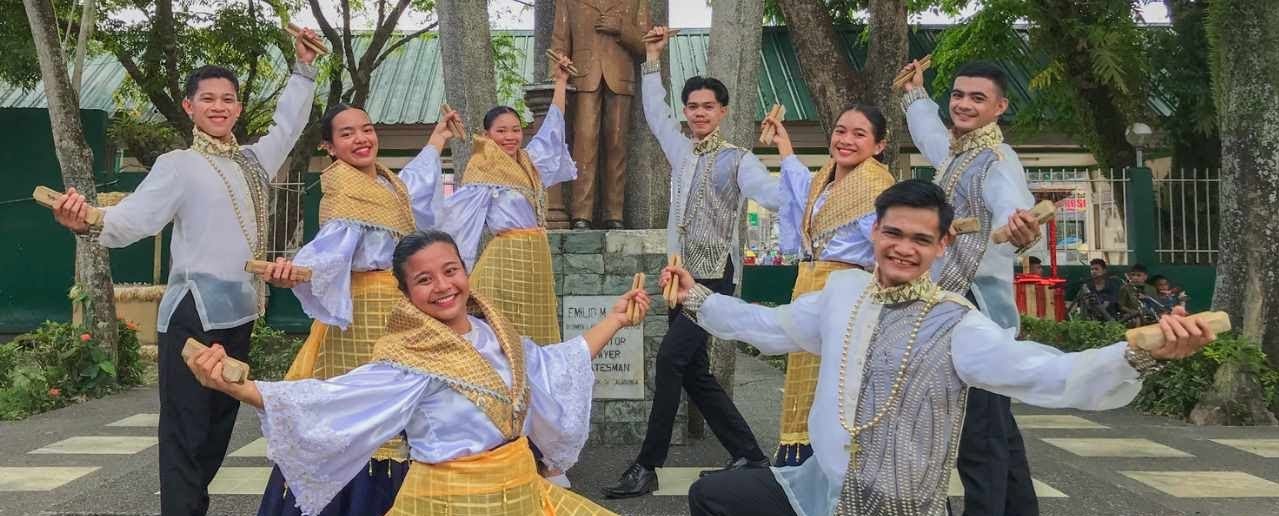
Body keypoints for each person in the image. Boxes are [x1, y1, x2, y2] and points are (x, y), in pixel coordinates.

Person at [674, 180, 1217, 516]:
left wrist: (1137, 353)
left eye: (920, 239)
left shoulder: (957, 323)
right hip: (821, 490)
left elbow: (1046, 374)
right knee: (713, 497)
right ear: (875, 234)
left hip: (899, 506)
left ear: (942, 245)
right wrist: (696, 298)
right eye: (893, 234)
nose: (903, 249)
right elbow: (771, 327)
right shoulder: (842, 293)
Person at [185, 230, 650, 516]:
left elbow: (553, 366)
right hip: (448, 501)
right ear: (406, 294)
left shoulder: (497, 334)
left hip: (519, 493)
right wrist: (236, 385)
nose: (443, 286)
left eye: (450, 271)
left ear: (466, 272)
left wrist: (615, 319)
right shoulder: (411, 358)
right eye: (424, 280)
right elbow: (335, 399)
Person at [50, 31, 318, 516]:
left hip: (238, 314)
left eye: (228, 100)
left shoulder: (254, 163)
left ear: (238, 108)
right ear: (189, 106)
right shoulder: (179, 165)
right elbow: (135, 218)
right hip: (192, 312)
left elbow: (288, 124)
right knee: (185, 433)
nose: (219, 107)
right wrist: (87, 220)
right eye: (208, 99)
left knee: (217, 429)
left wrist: (303, 70)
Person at [252, 104, 462, 516]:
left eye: (366, 129)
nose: (361, 139)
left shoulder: (386, 183)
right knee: (364, 410)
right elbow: (330, 254)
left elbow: (415, 185)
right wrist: (296, 272)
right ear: (329, 147)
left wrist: (437, 139)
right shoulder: (345, 191)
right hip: (364, 314)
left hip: (400, 310)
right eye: (347, 134)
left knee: (400, 402)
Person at [602, 26, 782, 498]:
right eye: (692, 106)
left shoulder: (739, 160)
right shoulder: (681, 152)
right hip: (678, 279)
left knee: (669, 359)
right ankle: (749, 452)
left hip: (713, 278)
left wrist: (797, 168)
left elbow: (774, 195)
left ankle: (647, 464)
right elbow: (654, 113)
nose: (699, 113)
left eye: (708, 106)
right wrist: (653, 60)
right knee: (693, 371)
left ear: (722, 112)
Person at [900, 59, 1044, 515]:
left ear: (999, 107)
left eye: (977, 98)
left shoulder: (997, 159)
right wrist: (917, 94)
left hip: (977, 310)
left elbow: (1010, 205)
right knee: (996, 427)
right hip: (960, 307)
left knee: (977, 436)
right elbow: (931, 135)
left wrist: (1019, 228)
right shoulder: (960, 151)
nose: (963, 104)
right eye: (958, 95)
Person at [765, 104, 896, 466]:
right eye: (841, 131)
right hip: (810, 284)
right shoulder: (828, 178)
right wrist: (785, 148)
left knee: (833, 382)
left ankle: (821, 465)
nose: (846, 140)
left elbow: (886, 246)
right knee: (808, 376)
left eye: (859, 134)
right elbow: (801, 190)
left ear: (879, 144)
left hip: (844, 291)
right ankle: (802, 463)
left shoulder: (876, 188)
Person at [439, 56, 577, 346]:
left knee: (534, 329)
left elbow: (552, 129)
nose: (510, 136)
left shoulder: (528, 160)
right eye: (501, 131)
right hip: (506, 257)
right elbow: (458, 219)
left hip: (536, 255)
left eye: (515, 129)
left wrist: (561, 84)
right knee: (502, 330)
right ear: (488, 134)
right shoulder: (484, 169)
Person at [551, 0, 650, 229]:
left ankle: (614, 214)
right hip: (582, 76)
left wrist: (622, 28)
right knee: (584, 143)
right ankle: (581, 214)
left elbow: (646, 46)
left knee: (617, 143)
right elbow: (559, 40)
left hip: (620, 77)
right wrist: (555, 76)